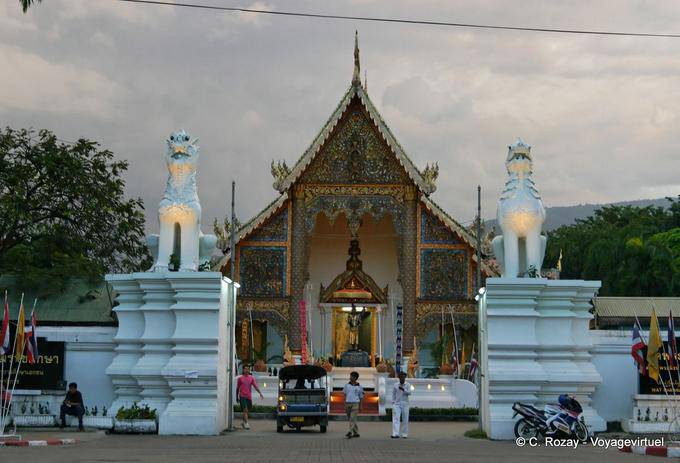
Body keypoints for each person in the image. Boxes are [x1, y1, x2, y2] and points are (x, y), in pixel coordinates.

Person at [236, 364, 263, 430]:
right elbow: (237, 388)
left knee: (247, 411)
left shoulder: (251, 378)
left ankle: (243, 422)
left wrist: (260, 393)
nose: (247, 370)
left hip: (249, 397)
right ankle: (246, 423)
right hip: (242, 396)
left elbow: (255, 386)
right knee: (245, 410)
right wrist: (236, 397)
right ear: (243, 370)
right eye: (245, 369)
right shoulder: (240, 378)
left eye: (248, 369)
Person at [343, 371, 364, 438]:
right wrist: (344, 403)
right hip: (348, 403)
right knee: (351, 419)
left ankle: (350, 431)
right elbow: (344, 395)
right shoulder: (346, 385)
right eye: (350, 376)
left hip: (355, 403)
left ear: (355, 378)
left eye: (351, 376)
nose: (350, 377)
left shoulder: (359, 387)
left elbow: (361, 397)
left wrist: (360, 406)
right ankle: (356, 433)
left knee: (352, 418)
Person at [391, 372, 411, 438]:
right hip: (397, 403)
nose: (402, 378)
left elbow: (409, 393)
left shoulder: (407, 385)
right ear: (399, 377)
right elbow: (393, 394)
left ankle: (404, 434)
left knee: (405, 419)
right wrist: (393, 402)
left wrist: (403, 389)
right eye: (400, 377)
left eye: (403, 377)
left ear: (405, 377)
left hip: (405, 404)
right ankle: (395, 433)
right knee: (396, 418)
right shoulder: (395, 385)